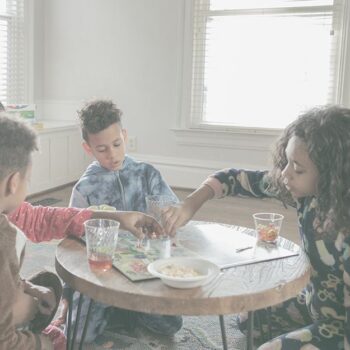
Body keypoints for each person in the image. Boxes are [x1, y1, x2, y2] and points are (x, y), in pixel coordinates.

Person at [163, 105, 350, 350]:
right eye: (287, 161)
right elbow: (233, 178)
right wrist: (190, 203)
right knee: (248, 316)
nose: (285, 173)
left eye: (298, 168)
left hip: (342, 326)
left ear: (330, 174)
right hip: (312, 303)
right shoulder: (304, 193)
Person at [58, 99, 182, 343]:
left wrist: (169, 219)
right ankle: (106, 310)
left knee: (170, 325)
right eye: (102, 149)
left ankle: (125, 312)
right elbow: (72, 240)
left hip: (145, 270)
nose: (112, 154)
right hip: (102, 276)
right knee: (76, 337)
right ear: (88, 148)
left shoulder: (147, 173)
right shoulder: (85, 187)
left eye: (117, 144)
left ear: (124, 136)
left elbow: (171, 209)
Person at [0, 113, 64, 349]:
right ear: (14, 182)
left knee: (46, 285)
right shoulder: (5, 237)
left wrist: (27, 286)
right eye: (28, 179)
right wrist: (42, 343)